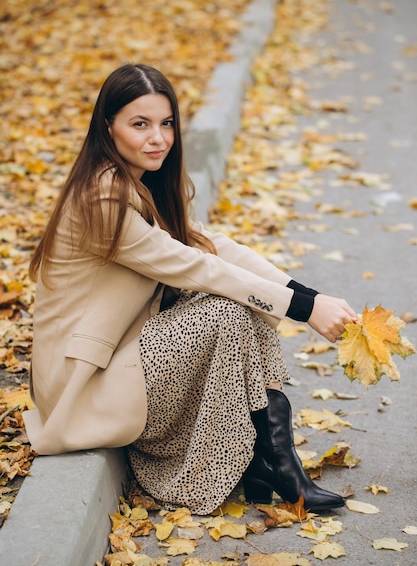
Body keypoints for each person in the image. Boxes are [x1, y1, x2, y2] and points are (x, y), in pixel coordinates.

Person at [25, 63, 357, 515]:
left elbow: (215, 248)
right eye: (139, 125)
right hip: (81, 383)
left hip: (122, 353)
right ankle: (275, 463)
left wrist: (311, 297)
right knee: (225, 307)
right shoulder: (101, 198)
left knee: (237, 304)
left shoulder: (141, 182)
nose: (157, 138)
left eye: (166, 124)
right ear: (108, 127)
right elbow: (197, 267)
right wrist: (302, 311)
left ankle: (273, 461)